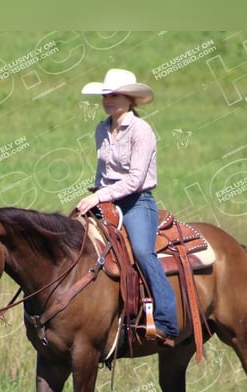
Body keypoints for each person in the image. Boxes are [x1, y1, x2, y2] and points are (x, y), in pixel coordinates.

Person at [76, 68, 178, 346]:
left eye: (115, 95)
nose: (108, 99)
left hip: (136, 202)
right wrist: (96, 194)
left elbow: (135, 180)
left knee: (144, 253)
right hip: (106, 199)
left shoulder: (142, 131)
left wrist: (99, 196)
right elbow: (103, 171)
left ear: (130, 99)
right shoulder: (101, 129)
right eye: (105, 95)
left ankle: (167, 321)